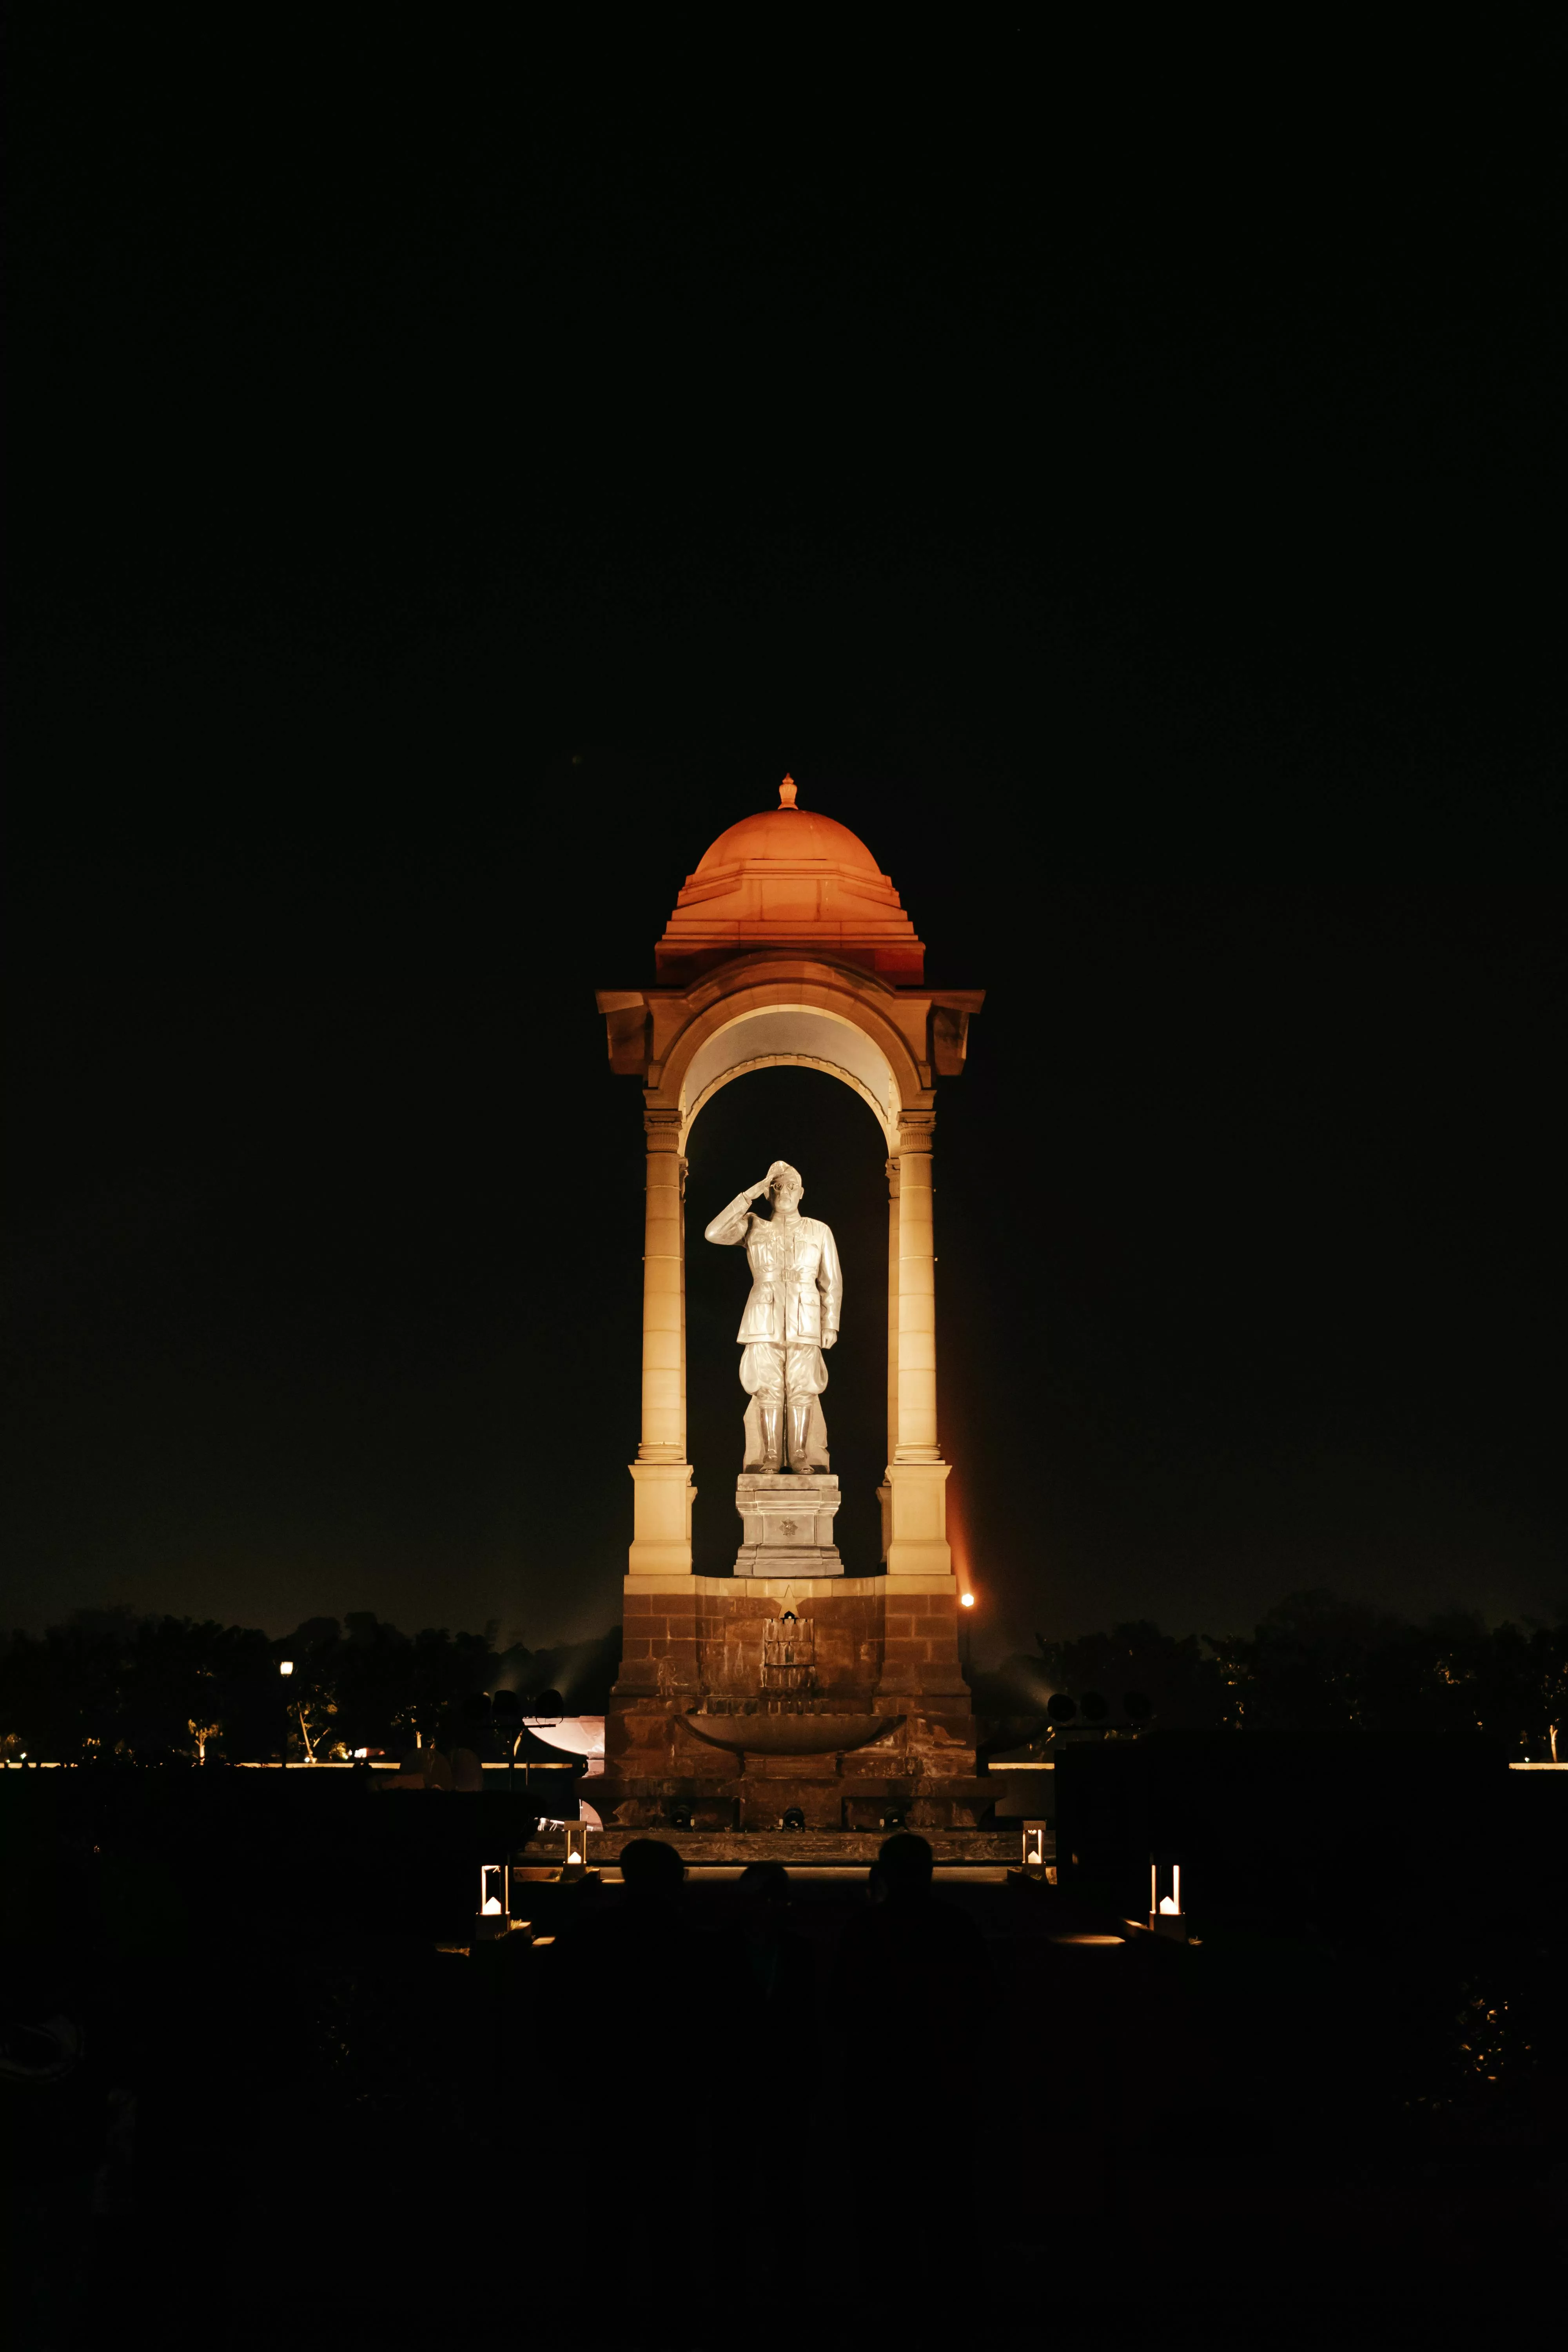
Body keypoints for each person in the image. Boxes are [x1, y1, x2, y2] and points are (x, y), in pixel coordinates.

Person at [704, 1160, 842, 1472]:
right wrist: (749, 1195)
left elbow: (832, 1281)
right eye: (778, 1186)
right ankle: (770, 1455)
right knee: (767, 1387)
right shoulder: (754, 1226)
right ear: (769, 1192)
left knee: (803, 1386)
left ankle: (799, 1454)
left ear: (802, 1192)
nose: (785, 1192)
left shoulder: (819, 1231)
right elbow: (713, 1232)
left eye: (792, 1186)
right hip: (763, 1319)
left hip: (805, 1321)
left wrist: (830, 1322)